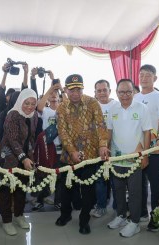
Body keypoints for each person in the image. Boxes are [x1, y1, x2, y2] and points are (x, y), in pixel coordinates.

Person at [55, 74, 109, 235]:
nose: (75, 93)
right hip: (68, 157)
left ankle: (84, 220)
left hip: (90, 157)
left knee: (88, 192)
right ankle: (65, 215)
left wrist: (102, 145)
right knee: (65, 190)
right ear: (65, 90)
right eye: (71, 90)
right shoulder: (61, 108)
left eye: (78, 89)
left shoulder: (93, 103)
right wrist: (72, 152)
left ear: (83, 89)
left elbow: (101, 125)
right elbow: (62, 133)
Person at [106, 79, 151, 237]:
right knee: (117, 188)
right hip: (116, 158)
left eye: (128, 92)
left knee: (134, 191)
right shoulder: (113, 109)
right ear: (116, 93)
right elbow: (109, 132)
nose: (125, 95)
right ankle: (121, 215)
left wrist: (145, 155)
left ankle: (135, 222)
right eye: (121, 92)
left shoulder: (142, 108)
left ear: (134, 92)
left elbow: (147, 132)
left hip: (135, 158)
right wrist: (106, 148)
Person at [0, 88, 38, 236]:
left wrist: (31, 157)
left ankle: (19, 216)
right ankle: (7, 221)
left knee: (21, 188)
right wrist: (23, 157)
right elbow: (13, 140)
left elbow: (31, 138)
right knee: (6, 190)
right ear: (20, 101)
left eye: (33, 103)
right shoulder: (12, 115)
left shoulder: (34, 116)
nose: (29, 106)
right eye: (26, 103)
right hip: (8, 158)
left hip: (24, 157)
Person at [133, 64, 159, 231]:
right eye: (141, 74)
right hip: (138, 149)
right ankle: (141, 213)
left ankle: (157, 217)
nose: (144, 77)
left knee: (156, 186)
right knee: (139, 184)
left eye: (148, 75)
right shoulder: (135, 97)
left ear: (155, 78)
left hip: (155, 150)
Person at [32, 78, 64, 211]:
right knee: (44, 176)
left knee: (60, 177)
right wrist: (51, 89)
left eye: (56, 93)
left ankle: (58, 200)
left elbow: (68, 105)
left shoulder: (64, 109)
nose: (53, 95)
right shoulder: (45, 111)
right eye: (51, 94)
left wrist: (61, 89)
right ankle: (40, 199)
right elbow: (38, 106)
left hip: (61, 149)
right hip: (47, 148)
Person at [91, 79, 118, 218]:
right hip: (99, 151)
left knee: (116, 181)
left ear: (110, 91)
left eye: (104, 90)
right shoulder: (92, 107)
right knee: (100, 180)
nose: (102, 93)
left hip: (115, 151)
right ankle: (101, 206)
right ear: (95, 93)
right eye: (99, 90)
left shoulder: (117, 105)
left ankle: (118, 207)